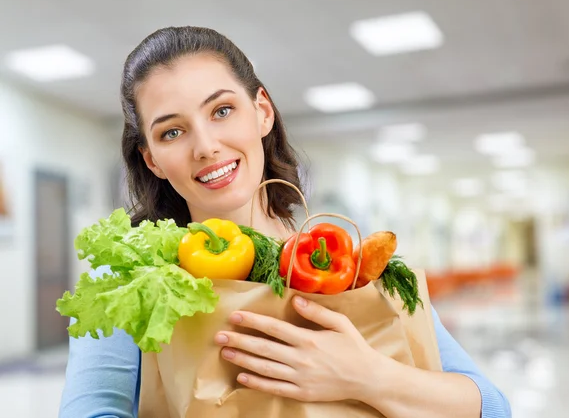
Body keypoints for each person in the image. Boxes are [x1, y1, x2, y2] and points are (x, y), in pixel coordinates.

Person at [58, 26, 511, 418]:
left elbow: (490, 407)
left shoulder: (342, 263)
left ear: (262, 112)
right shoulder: (131, 279)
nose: (206, 146)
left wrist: (365, 377)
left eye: (221, 111)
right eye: (171, 132)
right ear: (152, 159)